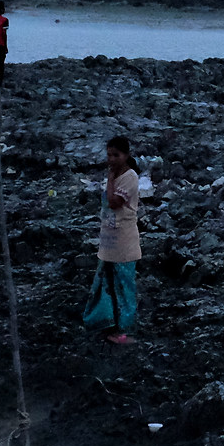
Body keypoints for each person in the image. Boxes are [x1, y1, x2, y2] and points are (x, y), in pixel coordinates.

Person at [88, 135, 142, 343]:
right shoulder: (115, 174)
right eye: (109, 154)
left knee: (123, 284)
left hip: (124, 241)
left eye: (115, 155)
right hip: (109, 239)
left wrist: (110, 179)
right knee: (107, 283)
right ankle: (106, 323)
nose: (111, 159)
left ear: (126, 155)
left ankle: (122, 329)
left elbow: (114, 202)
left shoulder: (129, 177)